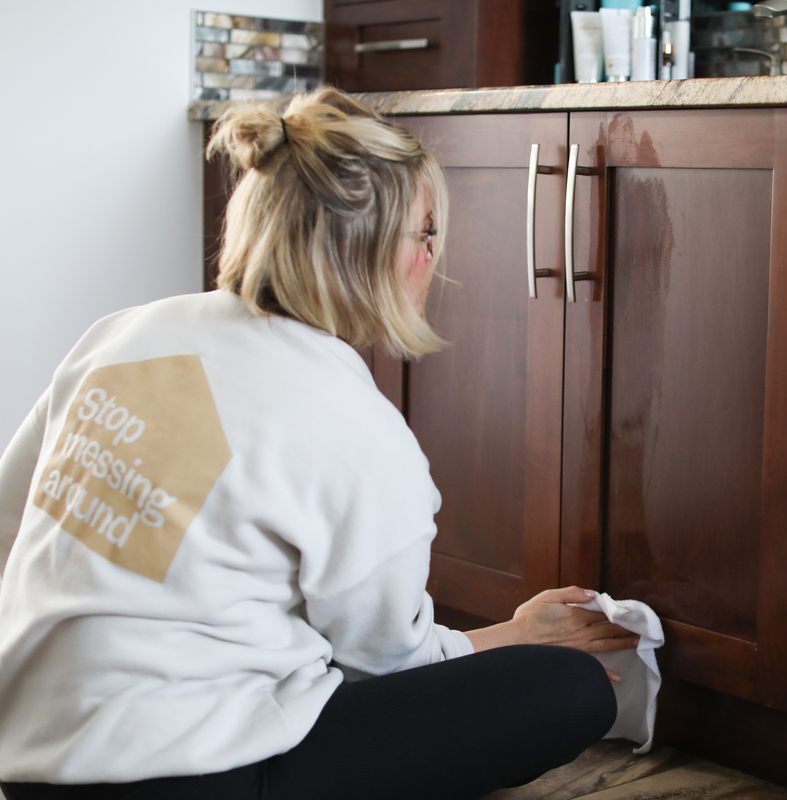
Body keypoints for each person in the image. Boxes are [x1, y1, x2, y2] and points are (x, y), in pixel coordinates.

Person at [0, 87, 637, 800]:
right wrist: (517, 637)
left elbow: (9, 523)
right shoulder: (353, 424)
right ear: (378, 252)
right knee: (571, 690)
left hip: (29, 770)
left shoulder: (122, 336)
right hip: (193, 780)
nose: (434, 258)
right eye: (426, 233)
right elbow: (386, 666)